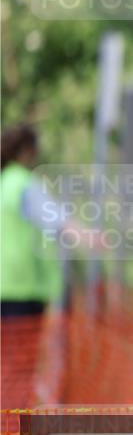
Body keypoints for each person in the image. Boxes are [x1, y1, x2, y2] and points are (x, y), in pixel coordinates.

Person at [1, 124, 63, 317]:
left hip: (6, 284)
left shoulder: (5, 181)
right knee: (20, 346)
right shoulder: (24, 182)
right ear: (27, 150)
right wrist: (89, 237)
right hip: (24, 286)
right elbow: (57, 218)